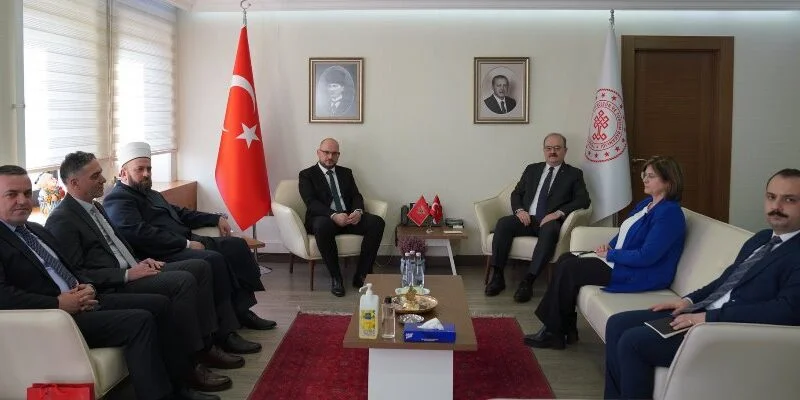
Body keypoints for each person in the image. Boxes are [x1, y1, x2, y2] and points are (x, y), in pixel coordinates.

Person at [0, 165, 220, 400]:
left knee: (161, 304)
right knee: (140, 321)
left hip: (85, 299)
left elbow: (72, 269)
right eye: (12, 194)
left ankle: (180, 384)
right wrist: (58, 303)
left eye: (27, 193)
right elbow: (4, 295)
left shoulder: (34, 230)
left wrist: (86, 286)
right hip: (55, 319)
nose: (23, 200)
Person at [604, 168, 800, 399]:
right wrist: (688, 301)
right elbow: (726, 280)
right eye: (771, 197)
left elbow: (786, 311)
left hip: (734, 333)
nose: (776, 206)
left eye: (789, 200)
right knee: (617, 323)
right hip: (704, 314)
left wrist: (707, 318)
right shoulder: (761, 238)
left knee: (633, 342)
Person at [47, 152, 260, 363]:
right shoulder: (65, 219)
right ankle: (198, 354)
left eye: (101, 173)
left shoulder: (96, 206)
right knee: (192, 274)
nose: (103, 179)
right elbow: (78, 273)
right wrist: (128, 273)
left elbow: (119, 244)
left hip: (140, 263)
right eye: (95, 176)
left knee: (207, 264)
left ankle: (218, 335)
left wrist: (138, 261)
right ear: (74, 183)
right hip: (119, 281)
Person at [102, 142, 277, 331]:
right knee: (214, 259)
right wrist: (185, 244)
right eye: (140, 169)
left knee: (236, 246)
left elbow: (179, 213)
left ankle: (243, 311)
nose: (146, 174)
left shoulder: (149, 193)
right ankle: (225, 329)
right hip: (162, 252)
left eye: (149, 169)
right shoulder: (118, 198)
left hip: (184, 242)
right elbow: (140, 234)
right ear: (123, 173)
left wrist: (215, 218)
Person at [524, 156, 686, 350]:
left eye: (651, 176)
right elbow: (625, 232)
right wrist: (609, 246)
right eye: (645, 175)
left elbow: (646, 256)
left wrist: (611, 255)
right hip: (623, 262)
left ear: (668, 182)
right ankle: (566, 329)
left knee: (570, 268)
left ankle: (554, 332)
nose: (644, 179)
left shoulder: (669, 213)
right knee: (565, 258)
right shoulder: (647, 204)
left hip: (642, 273)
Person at [485, 132, 591, 303]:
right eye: (548, 148)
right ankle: (497, 277)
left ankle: (528, 281)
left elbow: (583, 200)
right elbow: (516, 193)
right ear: (543, 150)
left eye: (557, 148)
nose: (552, 152)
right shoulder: (532, 169)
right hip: (526, 219)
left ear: (565, 150)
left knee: (550, 232)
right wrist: (520, 210)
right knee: (503, 223)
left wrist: (558, 213)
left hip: (550, 221)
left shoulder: (574, 174)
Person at [298, 138, 386, 297]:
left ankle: (361, 274)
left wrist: (357, 211)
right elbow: (311, 202)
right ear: (318, 152)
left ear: (338, 155)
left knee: (377, 222)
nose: (330, 157)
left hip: (348, 217)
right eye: (326, 152)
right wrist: (333, 215)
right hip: (323, 218)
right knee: (322, 225)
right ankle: (336, 278)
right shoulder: (306, 174)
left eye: (334, 153)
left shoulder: (346, 172)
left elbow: (356, 195)